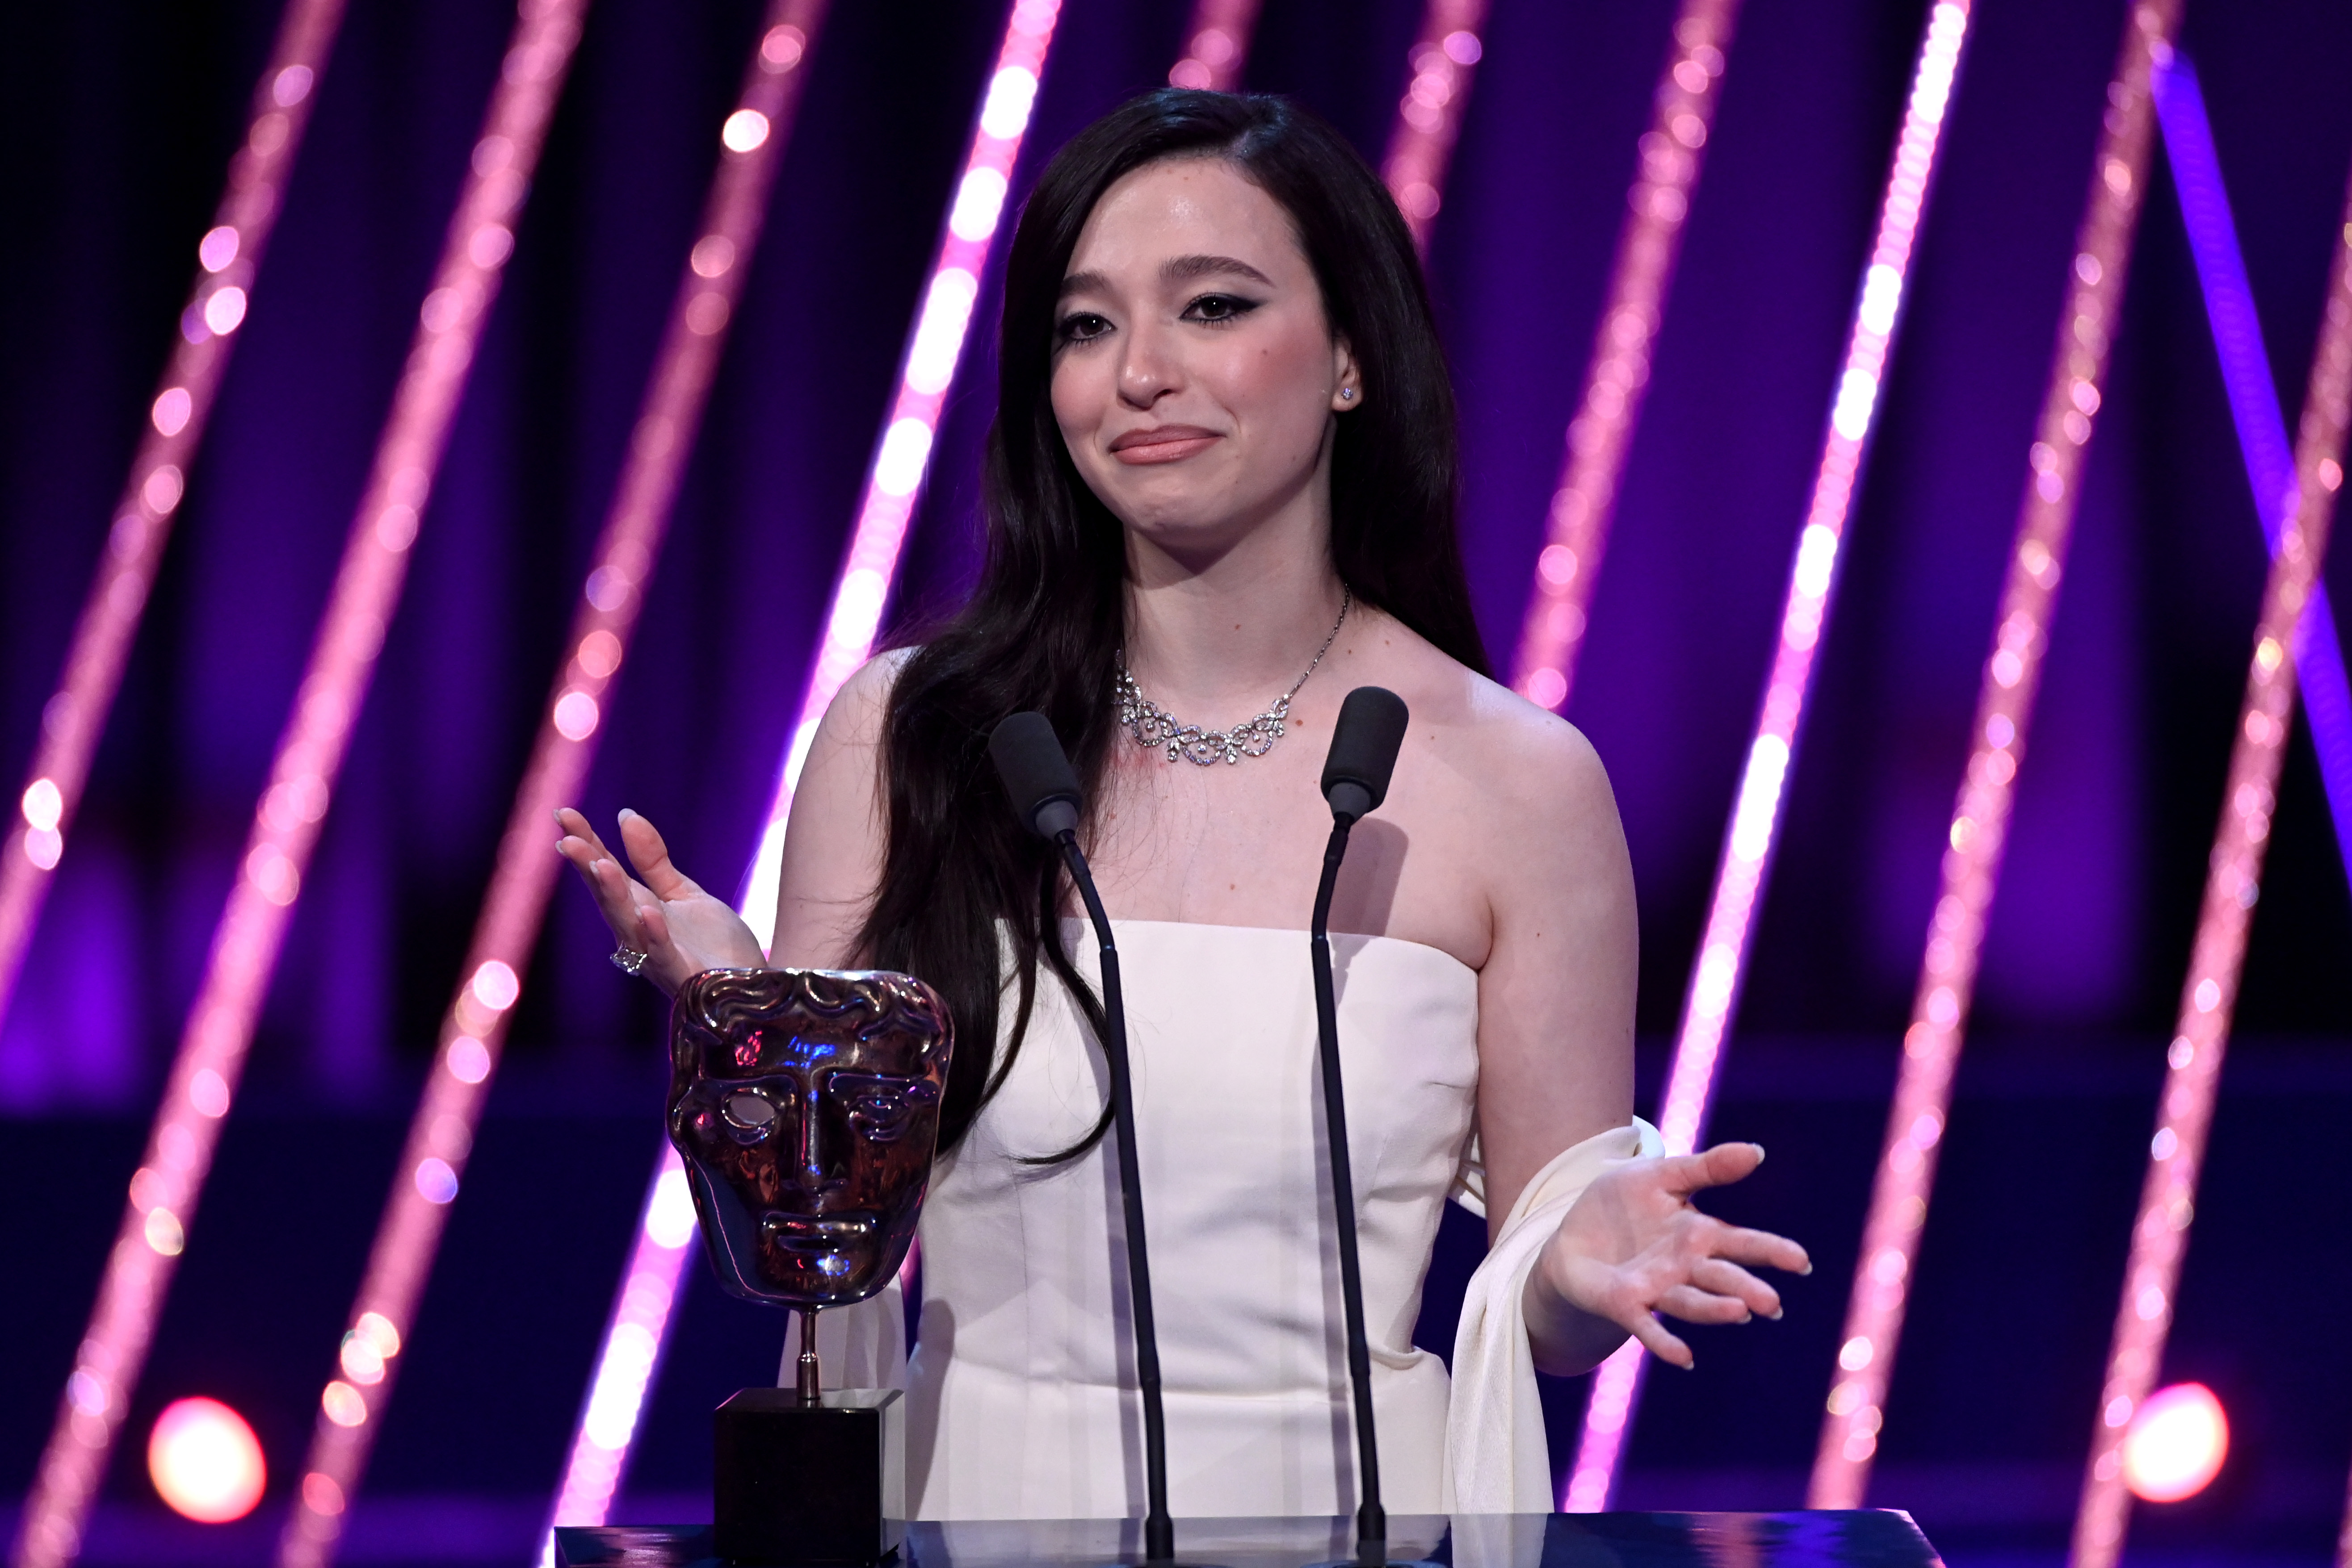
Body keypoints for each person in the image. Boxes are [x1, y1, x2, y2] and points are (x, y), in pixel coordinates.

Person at [558, 89, 1806, 1520]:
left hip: (1362, 1529)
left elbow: (1551, 1292)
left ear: (1349, 357)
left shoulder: (1519, 780)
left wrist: (1581, 1269)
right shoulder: (914, 735)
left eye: (1211, 308)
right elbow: (839, 1239)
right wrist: (755, 1027)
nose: (1138, 371)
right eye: (1085, 327)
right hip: (984, 1522)